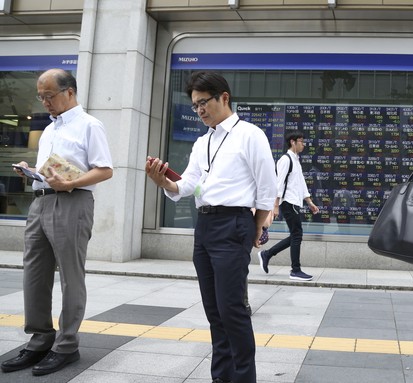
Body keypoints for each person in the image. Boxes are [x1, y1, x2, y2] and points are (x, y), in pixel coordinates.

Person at [145, 71, 276, 383]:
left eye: (204, 102)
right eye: (195, 105)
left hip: (234, 223)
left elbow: (266, 190)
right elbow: (188, 184)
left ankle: (244, 378)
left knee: (232, 310)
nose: (200, 110)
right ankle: (222, 377)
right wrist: (162, 180)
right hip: (204, 225)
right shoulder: (202, 142)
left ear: (224, 98)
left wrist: (256, 228)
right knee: (214, 310)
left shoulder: (250, 135)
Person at [1, 69, 113, 376]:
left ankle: (66, 346)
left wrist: (68, 185)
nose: (45, 102)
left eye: (49, 96)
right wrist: (30, 169)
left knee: (70, 276)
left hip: (73, 202)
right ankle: (40, 338)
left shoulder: (90, 125)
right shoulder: (49, 129)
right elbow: (48, 168)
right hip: (41, 202)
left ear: (70, 92)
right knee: (34, 273)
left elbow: (105, 170)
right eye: (41, 97)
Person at [257, 130, 319, 281]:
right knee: (297, 234)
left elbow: (301, 184)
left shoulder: (296, 160)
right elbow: (278, 183)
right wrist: (276, 205)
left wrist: (309, 202)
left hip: (294, 203)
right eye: (301, 142)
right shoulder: (285, 160)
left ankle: (267, 254)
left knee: (295, 235)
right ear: (293, 142)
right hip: (288, 203)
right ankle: (295, 270)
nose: (303, 145)